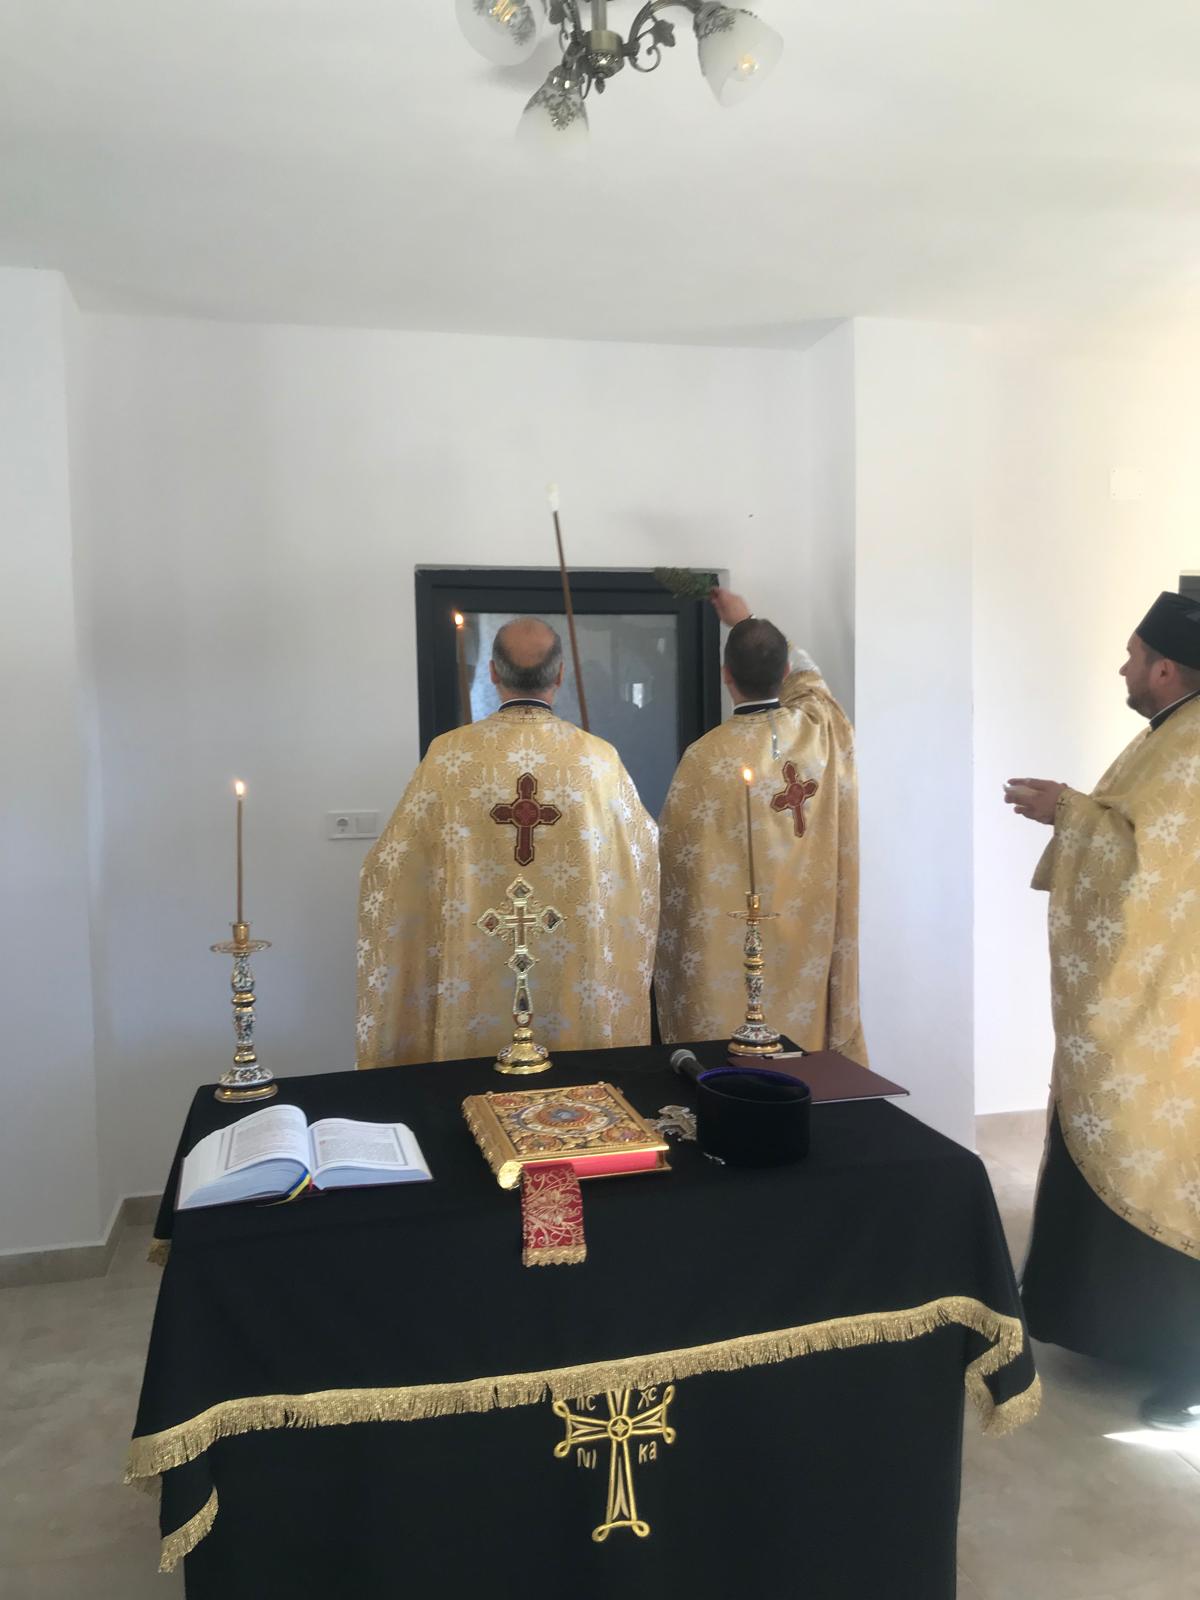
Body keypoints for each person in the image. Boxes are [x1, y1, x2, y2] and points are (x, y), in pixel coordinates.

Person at [1010, 590, 1200, 1431]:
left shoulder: (1192, 745)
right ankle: (1119, 1334)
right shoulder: (1170, 734)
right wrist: (1077, 815)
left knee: (1163, 1159)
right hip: (1153, 992)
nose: (1123, 666)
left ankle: (1187, 1359)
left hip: (1171, 1007)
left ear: (1166, 668)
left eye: (1133, 655)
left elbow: (1148, 868)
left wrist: (1068, 812)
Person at [356, 617, 659, 1068]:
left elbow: (394, 863)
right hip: (573, 959)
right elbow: (641, 855)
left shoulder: (449, 755)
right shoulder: (597, 759)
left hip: (475, 947)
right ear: (560, 674)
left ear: (493, 672)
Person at [655, 588, 867, 1063]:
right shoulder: (820, 731)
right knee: (800, 1053)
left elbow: (672, 868)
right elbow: (812, 681)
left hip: (724, 948)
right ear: (785, 671)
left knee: (725, 1055)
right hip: (806, 942)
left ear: (725, 675)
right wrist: (745, 619)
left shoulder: (705, 758)